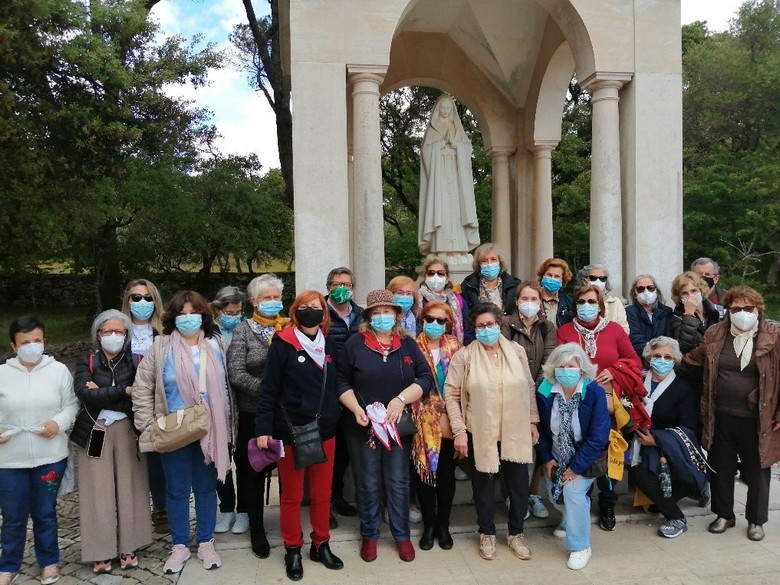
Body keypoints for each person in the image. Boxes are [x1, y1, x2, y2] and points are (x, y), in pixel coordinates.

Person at [132, 291, 233, 575]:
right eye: (182, 314)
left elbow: (228, 389)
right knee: (176, 489)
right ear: (173, 318)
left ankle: (206, 541)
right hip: (172, 429)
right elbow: (142, 387)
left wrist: (228, 425)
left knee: (205, 487)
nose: (188, 319)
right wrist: (148, 424)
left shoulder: (216, 344)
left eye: (194, 313)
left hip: (208, 429)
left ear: (204, 316)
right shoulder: (160, 347)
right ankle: (179, 545)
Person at [336, 290, 433, 563]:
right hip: (362, 426)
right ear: (368, 317)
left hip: (396, 427)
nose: (382, 317)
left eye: (387, 312)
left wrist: (401, 400)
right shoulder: (355, 344)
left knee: (398, 481)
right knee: (367, 482)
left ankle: (402, 535)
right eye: (376, 313)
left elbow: (425, 378)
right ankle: (370, 534)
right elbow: (341, 381)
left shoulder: (408, 344)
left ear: (396, 315)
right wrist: (356, 408)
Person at [255, 290, 343, 581]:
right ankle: (292, 548)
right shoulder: (283, 344)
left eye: (316, 307)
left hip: (325, 430)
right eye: (304, 306)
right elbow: (268, 390)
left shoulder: (329, 343)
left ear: (324, 313)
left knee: (322, 494)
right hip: (290, 430)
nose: (310, 311)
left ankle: (321, 543)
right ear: (295, 311)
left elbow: (338, 384)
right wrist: (263, 429)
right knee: (292, 496)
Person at [444, 303, 539, 562]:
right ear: (474, 329)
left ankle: (516, 533)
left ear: (499, 324)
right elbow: (451, 394)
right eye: (481, 326)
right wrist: (459, 431)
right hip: (479, 430)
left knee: (518, 484)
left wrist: (532, 421)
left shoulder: (516, 351)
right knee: (483, 484)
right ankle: (486, 532)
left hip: (515, 428)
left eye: (491, 324)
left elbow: (529, 386)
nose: (487, 329)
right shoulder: (464, 356)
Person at [685, 286, 780, 542]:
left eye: (748, 308)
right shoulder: (716, 333)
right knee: (721, 467)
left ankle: (756, 520)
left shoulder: (773, 336)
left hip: (758, 417)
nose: (742, 313)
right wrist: (665, 364)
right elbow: (695, 360)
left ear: (758, 309)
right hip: (720, 414)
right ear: (727, 310)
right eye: (736, 309)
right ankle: (724, 514)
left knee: (758, 469)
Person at [70, 310, 152, 573]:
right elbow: (84, 393)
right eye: (108, 331)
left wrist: (104, 393)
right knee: (97, 490)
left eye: (119, 331)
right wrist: (122, 390)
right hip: (95, 429)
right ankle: (100, 551)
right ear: (98, 335)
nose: (113, 336)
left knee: (131, 487)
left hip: (127, 429)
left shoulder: (137, 361)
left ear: (127, 335)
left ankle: (130, 546)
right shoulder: (86, 361)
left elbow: (139, 395)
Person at [557, 285, 643, 531]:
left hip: (607, 403)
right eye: (581, 301)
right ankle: (579, 501)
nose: (586, 306)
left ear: (600, 305)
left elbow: (634, 361)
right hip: (575, 403)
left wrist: (614, 371)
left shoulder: (614, 330)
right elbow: (557, 364)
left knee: (607, 452)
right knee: (579, 449)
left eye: (592, 301)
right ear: (575, 305)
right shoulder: (565, 331)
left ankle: (607, 502)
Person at [0, 316, 78, 585]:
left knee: (45, 512)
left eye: (37, 340)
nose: (32, 346)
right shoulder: (2, 374)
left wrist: (58, 423)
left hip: (50, 456)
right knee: (13, 515)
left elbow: (71, 405)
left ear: (44, 341)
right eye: (25, 342)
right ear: (14, 346)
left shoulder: (58, 371)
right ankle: (9, 564)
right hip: (9, 459)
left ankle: (49, 561)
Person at [225, 274, 287, 558]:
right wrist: (268, 390)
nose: (273, 302)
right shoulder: (243, 331)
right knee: (253, 473)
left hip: (285, 414)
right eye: (266, 298)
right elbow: (236, 373)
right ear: (254, 301)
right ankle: (257, 530)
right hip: (253, 412)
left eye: (276, 297)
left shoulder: (289, 326)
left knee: (288, 470)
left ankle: (288, 525)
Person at [535, 343, 610, 570]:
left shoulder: (593, 391)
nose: (566, 371)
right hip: (556, 455)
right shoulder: (545, 389)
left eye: (571, 366)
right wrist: (546, 457)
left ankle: (580, 546)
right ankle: (570, 519)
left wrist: (575, 468)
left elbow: (598, 436)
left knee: (572, 491)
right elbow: (541, 429)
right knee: (555, 495)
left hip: (587, 458)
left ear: (582, 369)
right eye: (561, 366)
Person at [629, 337, 707, 539]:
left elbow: (688, 427)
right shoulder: (638, 382)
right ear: (649, 357)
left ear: (675, 360)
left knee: (654, 482)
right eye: (657, 356)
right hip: (639, 441)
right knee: (640, 473)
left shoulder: (682, 388)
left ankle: (675, 516)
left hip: (669, 443)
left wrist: (657, 439)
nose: (662, 360)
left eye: (667, 357)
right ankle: (673, 508)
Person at [501, 281, 557, 519]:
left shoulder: (547, 327)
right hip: (511, 393)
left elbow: (549, 360)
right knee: (511, 445)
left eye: (534, 299)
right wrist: (522, 388)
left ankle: (532, 494)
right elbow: (504, 357)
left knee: (537, 442)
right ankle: (513, 495)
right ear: (516, 301)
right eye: (525, 298)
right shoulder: (505, 324)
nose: (529, 303)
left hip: (539, 392)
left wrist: (535, 390)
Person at [413, 301, 463, 551]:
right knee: (424, 476)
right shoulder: (411, 346)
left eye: (441, 320)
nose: (434, 324)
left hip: (451, 417)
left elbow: (463, 382)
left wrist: (449, 413)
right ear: (422, 320)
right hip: (421, 419)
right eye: (430, 319)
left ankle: (443, 525)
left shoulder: (456, 347)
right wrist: (427, 411)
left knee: (445, 474)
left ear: (448, 324)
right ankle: (429, 525)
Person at [120, 278, 168, 534]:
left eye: (148, 298)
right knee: (130, 462)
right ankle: (133, 513)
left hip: (160, 405)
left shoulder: (165, 332)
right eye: (136, 297)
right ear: (127, 301)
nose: (142, 302)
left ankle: (162, 508)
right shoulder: (117, 332)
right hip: (124, 405)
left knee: (157, 460)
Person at [418, 94, 480, 254]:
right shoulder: (433, 129)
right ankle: (440, 248)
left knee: (457, 210)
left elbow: (467, 149)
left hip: (456, 175)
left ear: (452, 110)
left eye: (448, 108)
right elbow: (425, 151)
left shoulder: (457, 128)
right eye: (443, 108)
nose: (445, 111)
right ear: (438, 110)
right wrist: (441, 143)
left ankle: (460, 249)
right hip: (439, 177)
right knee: (441, 210)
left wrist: (455, 144)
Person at [324, 267, 362, 523]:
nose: (342, 289)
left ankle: (337, 495)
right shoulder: (320, 313)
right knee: (327, 449)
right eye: (337, 284)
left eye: (347, 285)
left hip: (354, 391)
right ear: (328, 287)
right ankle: (324, 502)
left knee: (345, 450)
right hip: (327, 389)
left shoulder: (361, 314)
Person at [210, 285, 248, 535]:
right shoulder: (207, 332)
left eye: (238, 312)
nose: (234, 317)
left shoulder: (246, 329)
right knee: (220, 460)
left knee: (244, 460)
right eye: (229, 312)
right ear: (217, 310)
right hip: (218, 404)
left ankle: (244, 510)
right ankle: (226, 509)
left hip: (244, 403)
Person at [460, 243, 521, 336]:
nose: (489, 264)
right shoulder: (468, 286)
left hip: (509, 335)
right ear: (479, 265)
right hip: (481, 336)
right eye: (484, 260)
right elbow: (466, 317)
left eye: (493, 259)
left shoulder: (514, 285)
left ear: (500, 262)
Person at [418, 254, 468, 344]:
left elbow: (467, 327)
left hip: (452, 347)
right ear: (425, 276)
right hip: (421, 346)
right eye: (431, 273)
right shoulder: (417, 299)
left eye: (440, 273)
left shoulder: (457, 300)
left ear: (447, 278)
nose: (435, 276)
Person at [670, 271, 721, 356]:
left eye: (694, 291)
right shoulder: (677, 317)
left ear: (701, 291)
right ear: (679, 297)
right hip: (693, 361)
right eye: (685, 293)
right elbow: (684, 345)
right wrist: (689, 314)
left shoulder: (713, 312)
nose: (690, 296)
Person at [625, 274, 672, 357]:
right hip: (641, 358)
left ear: (656, 291)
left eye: (650, 288)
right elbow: (636, 340)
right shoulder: (630, 312)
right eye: (641, 289)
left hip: (664, 359)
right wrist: (654, 356)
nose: (646, 292)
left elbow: (670, 339)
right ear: (635, 293)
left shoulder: (667, 311)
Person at [576, 264, 629, 334]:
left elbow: (624, 331)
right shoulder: (578, 302)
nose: (598, 281)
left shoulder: (615, 302)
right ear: (584, 281)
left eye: (602, 278)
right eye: (593, 278)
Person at [536, 258, 575, 327]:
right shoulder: (532, 298)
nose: (552, 279)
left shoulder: (569, 303)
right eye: (549, 275)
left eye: (557, 276)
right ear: (543, 276)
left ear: (562, 280)